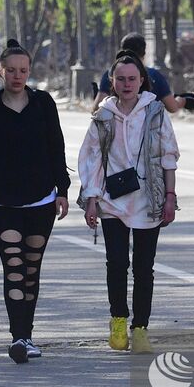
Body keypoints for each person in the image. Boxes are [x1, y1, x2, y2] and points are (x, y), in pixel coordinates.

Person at [0, 40, 71, 364]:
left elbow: (57, 148)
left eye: (23, 70)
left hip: (41, 201)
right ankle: (18, 337)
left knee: (30, 269)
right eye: (11, 70)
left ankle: (27, 334)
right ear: (0, 71)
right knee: (13, 267)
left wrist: (63, 190)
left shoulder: (43, 104)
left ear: (29, 71)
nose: (17, 76)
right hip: (3, 204)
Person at [79, 52, 180, 354]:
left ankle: (141, 329)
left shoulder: (156, 112)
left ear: (141, 81)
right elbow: (90, 159)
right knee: (117, 264)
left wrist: (171, 197)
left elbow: (168, 155)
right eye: (120, 79)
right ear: (111, 82)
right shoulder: (103, 116)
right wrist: (91, 198)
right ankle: (119, 320)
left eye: (131, 79)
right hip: (113, 201)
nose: (126, 84)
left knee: (144, 267)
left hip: (149, 199)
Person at [93, 33, 191, 112]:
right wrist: (183, 100)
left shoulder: (112, 73)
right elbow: (172, 107)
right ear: (144, 53)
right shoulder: (155, 76)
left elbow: (97, 109)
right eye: (122, 79)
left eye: (132, 79)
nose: (127, 84)